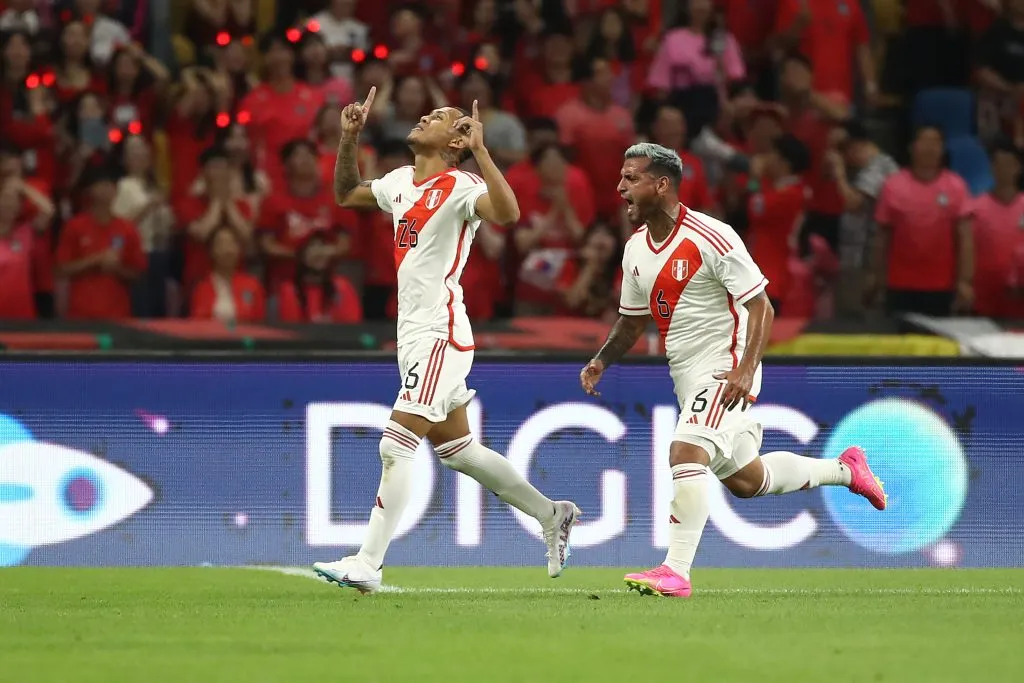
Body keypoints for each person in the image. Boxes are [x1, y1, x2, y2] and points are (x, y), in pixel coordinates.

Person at [579, 143, 886, 598]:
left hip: (727, 366)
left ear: (661, 185)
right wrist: (602, 358)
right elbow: (633, 318)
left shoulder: (712, 236)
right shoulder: (635, 250)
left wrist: (745, 367)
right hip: (688, 376)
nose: (620, 188)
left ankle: (675, 571)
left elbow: (762, 306)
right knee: (747, 480)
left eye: (631, 178)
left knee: (686, 452)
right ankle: (846, 470)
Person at [312, 88, 581, 593]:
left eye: (439, 117)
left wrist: (482, 151)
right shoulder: (398, 183)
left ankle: (368, 563)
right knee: (457, 449)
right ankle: (551, 513)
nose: (424, 116)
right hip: (411, 333)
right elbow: (346, 193)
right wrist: (348, 138)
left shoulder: (461, 184)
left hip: (441, 331)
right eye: (427, 112)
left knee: (396, 445)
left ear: (455, 140)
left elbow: (507, 214)